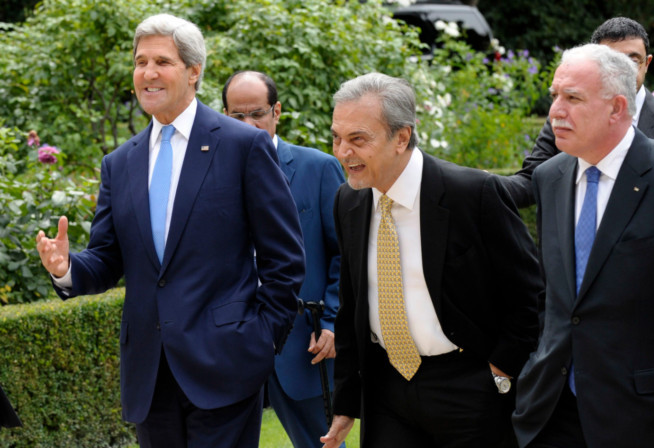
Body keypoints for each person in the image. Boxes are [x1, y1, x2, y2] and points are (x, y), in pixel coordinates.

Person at [35, 14, 305, 448]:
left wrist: (260, 343)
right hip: (150, 375)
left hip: (227, 367)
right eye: (140, 62)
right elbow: (107, 259)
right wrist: (67, 267)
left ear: (194, 71)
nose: (148, 73)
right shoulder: (119, 162)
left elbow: (285, 259)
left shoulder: (242, 145)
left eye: (162, 61)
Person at [511, 43, 654, 448]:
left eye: (573, 98)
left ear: (617, 108)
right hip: (551, 412)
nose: (555, 112)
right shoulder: (550, 176)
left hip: (645, 418)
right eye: (554, 97)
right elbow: (554, 297)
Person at [320, 72, 543, 448]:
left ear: (401, 138)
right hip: (388, 389)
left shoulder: (474, 194)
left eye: (358, 139)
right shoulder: (350, 200)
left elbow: (531, 295)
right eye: (337, 137)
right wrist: (346, 401)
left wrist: (498, 371)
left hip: (468, 387)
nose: (342, 152)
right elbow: (352, 305)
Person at [222, 70, 346, 448]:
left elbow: (347, 253)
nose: (247, 125)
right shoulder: (210, 174)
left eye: (256, 113)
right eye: (236, 116)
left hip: (305, 342)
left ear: (276, 112)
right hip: (233, 344)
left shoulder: (318, 168)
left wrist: (332, 320)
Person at [504, 17, 654, 208]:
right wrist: (481, 186)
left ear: (647, 63)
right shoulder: (563, 118)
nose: (622, 71)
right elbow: (531, 180)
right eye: (612, 62)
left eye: (632, 61)